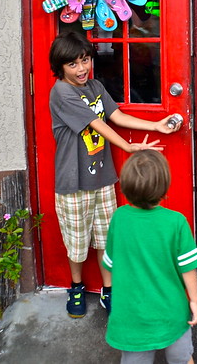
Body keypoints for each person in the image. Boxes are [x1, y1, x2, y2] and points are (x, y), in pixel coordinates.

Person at [48, 31, 182, 319]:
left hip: (102, 179)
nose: (81, 68)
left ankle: (108, 290)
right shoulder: (61, 92)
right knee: (77, 242)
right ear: (60, 68)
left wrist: (155, 126)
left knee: (105, 238)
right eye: (73, 64)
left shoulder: (95, 86)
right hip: (72, 182)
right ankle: (76, 286)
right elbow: (96, 124)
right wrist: (128, 146)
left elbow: (116, 115)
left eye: (84, 60)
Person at [103, 149, 197, 364]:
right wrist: (194, 300)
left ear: (126, 186)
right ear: (164, 186)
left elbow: (110, 264)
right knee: (183, 359)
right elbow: (188, 269)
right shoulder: (176, 222)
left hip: (131, 317)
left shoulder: (119, 218)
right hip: (172, 313)